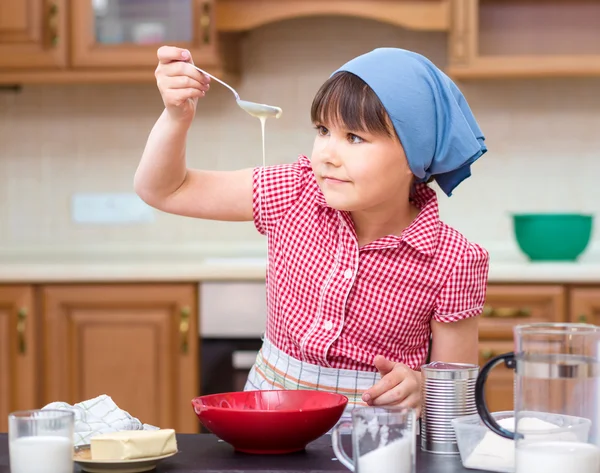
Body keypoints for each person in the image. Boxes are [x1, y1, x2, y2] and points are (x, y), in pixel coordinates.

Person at [135, 46, 490, 418]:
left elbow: (457, 396)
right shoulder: (294, 190)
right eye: (323, 130)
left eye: (354, 137)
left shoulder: (454, 259)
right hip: (269, 423)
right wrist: (177, 116)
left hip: (375, 442)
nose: (327, 154)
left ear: (416, 154)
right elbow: (164, 189)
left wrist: (422, 387)